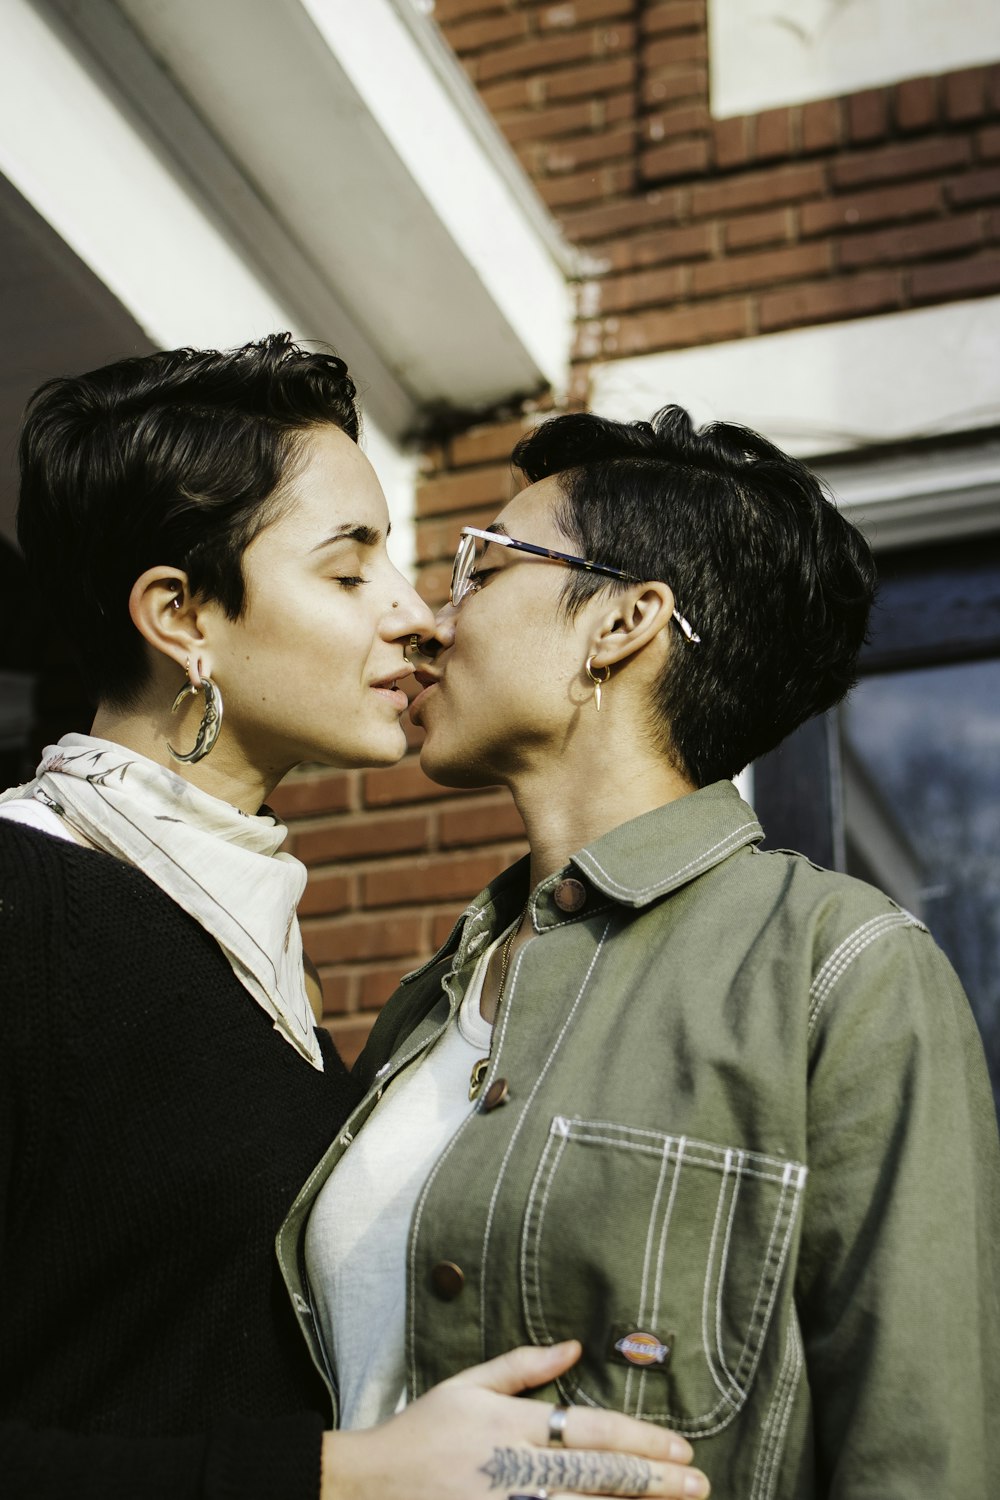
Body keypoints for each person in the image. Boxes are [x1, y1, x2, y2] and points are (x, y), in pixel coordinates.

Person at [0, 340, 707, 1500]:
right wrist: (342, 1477)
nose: (421, 618)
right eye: (349, 574)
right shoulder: (24, 910)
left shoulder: (247, 939)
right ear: (181, 614)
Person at [280, 406, 1000, 1498]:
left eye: (480, 567)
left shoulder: (837, 973)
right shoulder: (426, 1005)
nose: (431, 619)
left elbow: (922, 1460)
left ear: (621, 622)